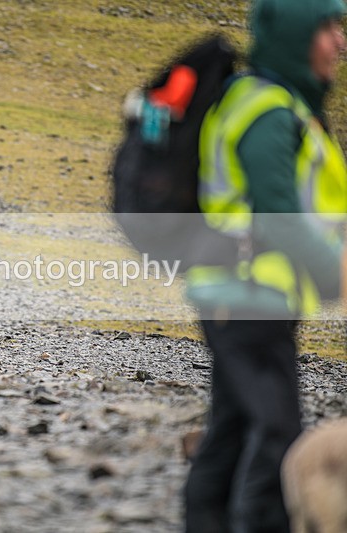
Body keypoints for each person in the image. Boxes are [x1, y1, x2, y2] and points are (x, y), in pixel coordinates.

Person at [184, 1, 347, 531]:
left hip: (241, 294)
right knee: (276, 434)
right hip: (249, 294)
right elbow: (278, 212)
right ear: (299, 35)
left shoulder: (269, 102)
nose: (339, 42)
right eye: (327, 28)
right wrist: (335, 274)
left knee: (232, 430)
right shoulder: (270, 111)